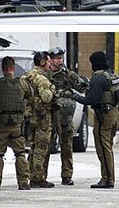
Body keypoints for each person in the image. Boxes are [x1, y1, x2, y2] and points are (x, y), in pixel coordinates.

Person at [67, 51, 119, 188]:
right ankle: (109, 178)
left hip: (104, 115)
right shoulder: (111, 74)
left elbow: (91, 99)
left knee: (103, 148)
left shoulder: (98, 78)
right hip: (113, 113)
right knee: (108, 146)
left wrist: (74, 96)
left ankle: (107, 179)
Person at [0, 56, 32, 191]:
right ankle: (23, 182)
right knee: (20, 154)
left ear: (3, 69)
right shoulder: (22, 83)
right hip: (17, 125)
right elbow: (30, 94)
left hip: (2, 124)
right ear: (13, 68)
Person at [46, 46, 84, 186]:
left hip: (65, 116)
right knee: (45, 146)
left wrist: (72, 93)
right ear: (50, 59)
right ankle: (40, 176)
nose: (60, 61)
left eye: (61, 58)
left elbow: (83, 86)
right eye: (57, 58)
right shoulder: (44, 75)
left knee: (67, 146)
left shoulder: (68, 74)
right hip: (48, 116)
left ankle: (67, 176)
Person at [22, 51, 56, 188]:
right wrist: (52, 89)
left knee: (33, 147)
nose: (49, 63)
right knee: (41, 147)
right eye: (48, 61)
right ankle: (37, 177)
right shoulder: (42, 79)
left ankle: (29, 173)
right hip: (42, 117)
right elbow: (47, 97)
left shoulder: (27, 76)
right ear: (42, 62)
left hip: (30, 116)